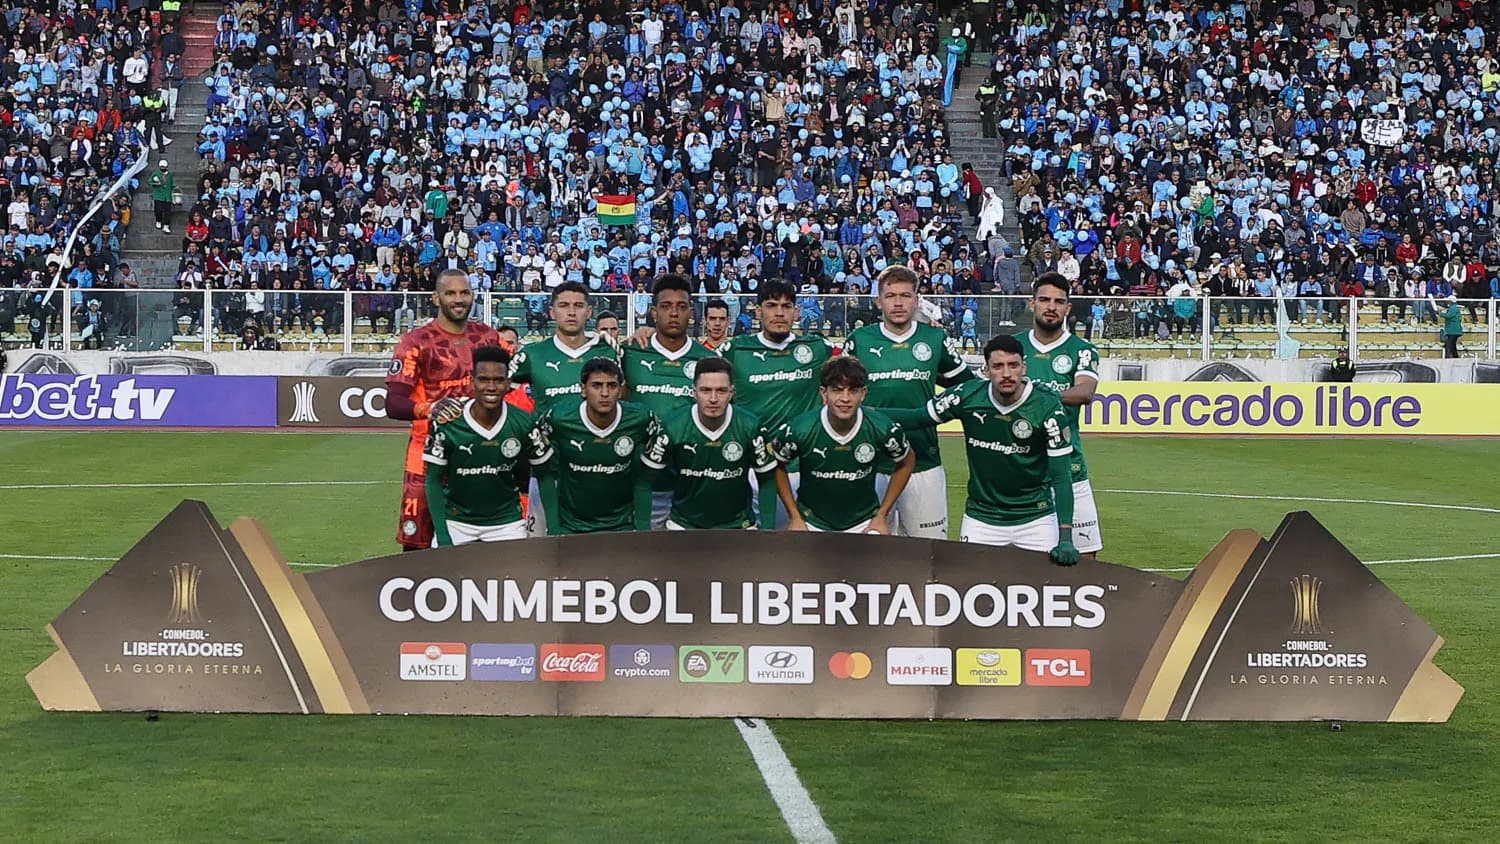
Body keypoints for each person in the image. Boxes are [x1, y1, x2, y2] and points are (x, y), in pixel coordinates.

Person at [884, 335, 1079, 565]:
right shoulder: (967, 395)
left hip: (1036, 518)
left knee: (1043, 592)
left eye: (1013, 365)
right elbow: (917, 418)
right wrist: (864, 413)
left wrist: (1065, 535)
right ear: (986, 370)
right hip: (981, 519)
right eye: (998, 366)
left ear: (1024, 367)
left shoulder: (1048, 407)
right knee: (971, 591)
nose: (1006, 374)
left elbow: (1062, 477)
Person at [842, 266, 974, 538]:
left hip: (924, 462)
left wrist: (939, 410)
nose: (899, 302)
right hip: (870, 464)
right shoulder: (859, 341)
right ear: (879, 301)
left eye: (905, 295)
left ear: (916, 300)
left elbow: (968, 388)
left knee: (928, 552)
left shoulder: (935, 338)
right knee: (869, 555)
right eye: (891, 295)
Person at [384, 268, 502, 551]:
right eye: (450, 293)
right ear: (436, 298)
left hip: (478, 456)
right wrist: (431, 408)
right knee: (417, 546)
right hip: (425, 459)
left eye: (464, 292)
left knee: (481, 547)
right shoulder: (415, 342)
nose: (459, 299)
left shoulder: (487, 337)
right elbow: (393, 403)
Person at [509, 281, 620, 535]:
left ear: (589, 312)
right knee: (540, 551)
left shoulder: (609, 352)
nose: (571, 312)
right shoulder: (533, 354)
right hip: (548, 469)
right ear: (552, 312)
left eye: (578, 306)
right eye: (564, 306)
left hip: (598, 470)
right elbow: (494, 391)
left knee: (597, 548)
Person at [423, 345, 550, 546]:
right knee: (442, 575)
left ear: (508, 382)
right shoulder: (448, 422)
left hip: (506, 523)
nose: (491, 387)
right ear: (472, 380)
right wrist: (443, 534)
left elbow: (545, 474)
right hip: (456, 523)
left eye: (498, 380)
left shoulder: (524, 423)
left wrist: (555, 526)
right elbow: (433, 480)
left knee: (516, 575)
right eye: (483, 380)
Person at [770, 357, 914, 534]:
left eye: (853, 391)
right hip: (812, 521)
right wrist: (794, 516)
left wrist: (882, 514)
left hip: (864, 522)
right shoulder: (799, 429)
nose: (845, 398)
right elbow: (777, 464)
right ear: (824, 393)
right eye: (837, 390)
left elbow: (907, 461)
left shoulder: (883, 428)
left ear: (863, 393)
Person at [1017, 273, 1104, 557]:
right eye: (1044, 300)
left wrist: (1034, 396)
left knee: (1087, 558)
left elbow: (1084, 392)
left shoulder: (1082, 350)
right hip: (1023, 474)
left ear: (1068, 308)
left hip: (1070, 469)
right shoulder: (1012, 347)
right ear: (1032, 304)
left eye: (1059, 301)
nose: (1051, 306)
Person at [624, 274, 718, 528]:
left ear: (691, 312)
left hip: (691, 483)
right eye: (666, 306)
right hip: (642, 484)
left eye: (681, 306)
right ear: (653, 312)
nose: (674, 313)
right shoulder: (630, 352)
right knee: (642, 563)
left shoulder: (708, 360)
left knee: (691, 564)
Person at [641, 357, 778, 530]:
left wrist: (769, 530)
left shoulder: (751, 426)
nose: (713, 399)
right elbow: (644, 481)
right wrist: (642, 530)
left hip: (738, 525)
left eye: (721, 391)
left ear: (732, 392)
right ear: (694, 391)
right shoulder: (671, 426)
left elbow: (767, 481)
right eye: (705, 390)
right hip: (684, 525)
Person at [534, 359, 658, 534]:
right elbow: (544, 473)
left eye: (612, 386)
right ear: (583, 389)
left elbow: (644, 478)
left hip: (622, 525)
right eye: (597, 386)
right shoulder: (559, 418)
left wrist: (643, 527)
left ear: (621, 390)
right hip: (572, 526)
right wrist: (554, 528)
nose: (605, 393)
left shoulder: (641, 419)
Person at [149, 161, 174, 233]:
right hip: (158, 195)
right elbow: (150, 181)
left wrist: (174, 189)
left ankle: (166, 225)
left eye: (164, 167)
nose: (162, 168)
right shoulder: (155, 174)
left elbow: (172, 184)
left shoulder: (170, 175)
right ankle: (158, 220)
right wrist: (155, 184)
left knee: (167, 211)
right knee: (158, 209)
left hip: (167, 195)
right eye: (161, 167)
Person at [1438, 293, 1464, 358]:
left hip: (1453, 330)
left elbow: (1448, 315)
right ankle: (1455, 357)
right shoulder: (1454, 308)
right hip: (1453, 330)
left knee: (1449, 345)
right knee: (1452, 345)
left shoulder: (1453, 308)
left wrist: (1440, 313)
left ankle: (1449, 357)